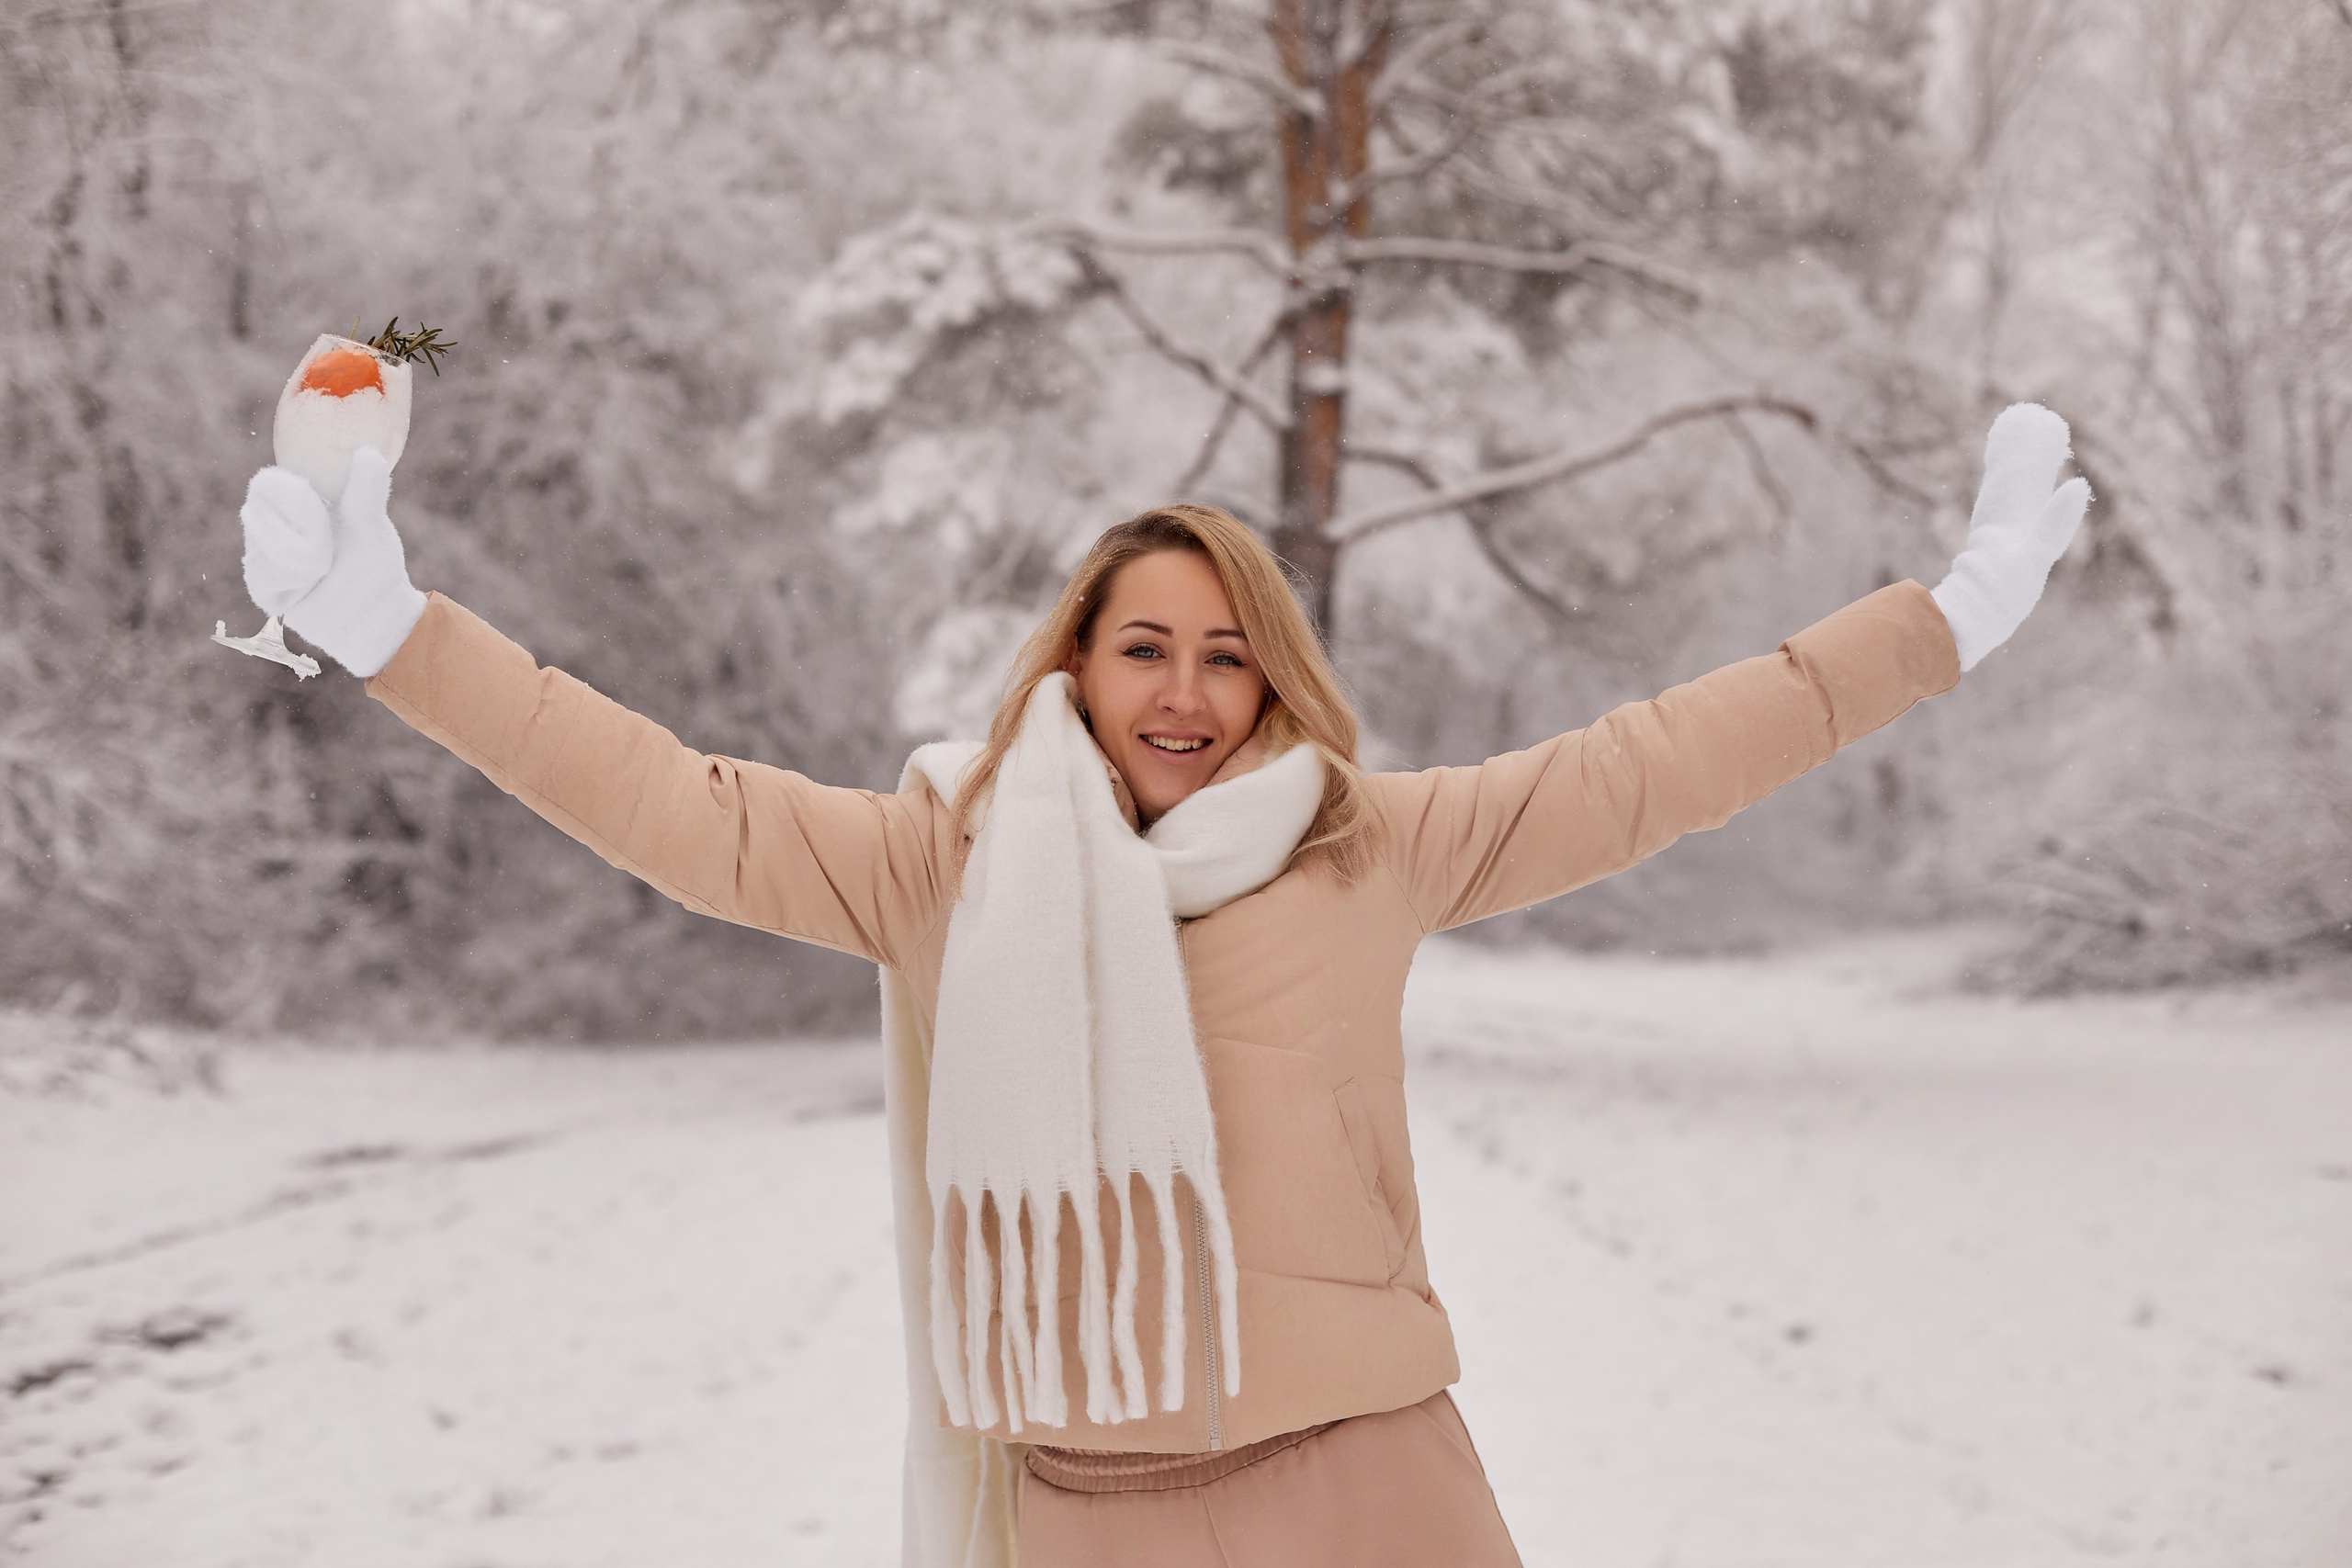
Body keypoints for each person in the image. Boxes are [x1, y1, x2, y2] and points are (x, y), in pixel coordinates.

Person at [234, 404, 2090, 1568]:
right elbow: (655, 792)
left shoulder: (1369, 840)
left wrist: (1940, 615)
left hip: (1374, 1481)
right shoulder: (935, 859)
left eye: (1224, 652)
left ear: (1272, 677)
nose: (1184, 689)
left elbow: (1656, 755)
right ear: (1077, 660)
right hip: (1092, 1509)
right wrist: (400, 631)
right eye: (1143, 646)